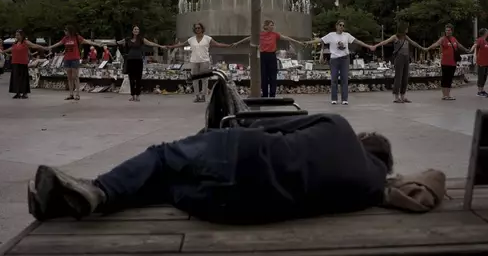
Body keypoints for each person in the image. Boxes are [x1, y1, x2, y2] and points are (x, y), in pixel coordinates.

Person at [27, 113, 392, 224]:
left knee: (161, 158)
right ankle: (67, 202)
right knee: (164, 188)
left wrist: (216, 134)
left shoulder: (340, 127)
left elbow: (271, 127)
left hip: (243, 152)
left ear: (365, 137)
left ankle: (98, 189)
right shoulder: (372, 186)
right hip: (237, 209)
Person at [304, 20, 373, 105]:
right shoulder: (331, 35)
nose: (342, 27)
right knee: (334, 79)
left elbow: (357, 41)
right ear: (336, 26)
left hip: (345, 59)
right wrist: (309, 42)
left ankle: (344, 99)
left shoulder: (347, 35)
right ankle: (334, 99)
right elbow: (320, 40)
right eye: (340, 25)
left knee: (344, 79)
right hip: (334, 59)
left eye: (343, 26)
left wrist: (368, 46)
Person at [233, 20, 304, 98]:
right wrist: (237, 43)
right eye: (271, 25)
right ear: (266, 26)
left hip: (272, 56)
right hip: (263, 56)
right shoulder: (260, 35)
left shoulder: (275, 35)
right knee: (264, 76)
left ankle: (272, 95)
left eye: (273, 25)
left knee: (273, 76)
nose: (273, 27)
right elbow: (248, 38)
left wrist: (297, 42)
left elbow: (286, 38)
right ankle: (265, 94)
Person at [167, 23, 231, 102]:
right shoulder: (191, 39)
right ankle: (197, 96)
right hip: (194, 61)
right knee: (195, 79)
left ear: (202, 29)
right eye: (196, 28)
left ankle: (203, 96)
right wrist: (171, 47)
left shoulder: (208, 38)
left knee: (204, 79)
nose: (197, 29)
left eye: (199, 28)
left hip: (205, 61)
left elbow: (217, 44)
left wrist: (228, 45)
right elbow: (182, 44)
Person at [47, 26, 104, 101]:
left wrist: (97, 44)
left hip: (75, 59)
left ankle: (77, 94)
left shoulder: (77, 37)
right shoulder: (65, 38)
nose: (65, 32)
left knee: (75, 77)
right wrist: (50, 47)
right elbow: (59, 43)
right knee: (69, 77)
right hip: (67, 59)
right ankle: (71, 94)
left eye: (66, 31)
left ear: (70, 31)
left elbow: (87, 41)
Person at [371, 23, 425, 103]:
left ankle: (403, 96)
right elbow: (385, 42)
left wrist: (422, 48)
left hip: (406, 57)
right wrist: (376, 45)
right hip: (399, 57)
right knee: (398, 77)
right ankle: (396, 97)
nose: (407, 29)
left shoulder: (406, 37)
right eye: (406, 28)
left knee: (405, 77)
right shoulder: (395, 37)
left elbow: (413, 43)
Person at [116, 25, 165, 102]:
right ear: (132, 31)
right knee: (131, 79)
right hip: (130, 60)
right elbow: (118, 42)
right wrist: (104, 44)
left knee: (138, 78)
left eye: (137, 29)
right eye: (135, 29)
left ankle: (138, 95)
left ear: (139, 31)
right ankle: (133, 95)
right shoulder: (128, 39)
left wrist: (160, 46)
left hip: (138, 60)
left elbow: (150, 43)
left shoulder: (141, 39)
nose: (136, 30)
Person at [426, 24, 470, 100]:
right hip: (445, 63)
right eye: (446, 30)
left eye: (449, 30)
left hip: (453, 63)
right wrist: (428, 48)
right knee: (445, 78)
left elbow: (459, 45)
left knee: (450, 79)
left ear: (452, 31)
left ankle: (448, 94)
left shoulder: (454, 39)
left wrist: (466, 50)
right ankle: (444, 95)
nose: (447, 32)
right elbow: (436, 44)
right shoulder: (443, 39)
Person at [4, 30, 47, 99]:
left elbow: (34, 45)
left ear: (22, 35)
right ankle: (17, 92)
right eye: (16, 35)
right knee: (16, 78)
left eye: (18, 35)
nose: (16, 36)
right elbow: (11, 49)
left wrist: (43, 47)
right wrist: (3, 51)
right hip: (15, 62)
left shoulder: (25, 42)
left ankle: (24, 93)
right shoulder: (15, 43)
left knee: (23, 78)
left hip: (22, 62)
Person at [471, 28, 488, 98]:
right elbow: (475, 45)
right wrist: (470, 50)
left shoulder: (485, 41)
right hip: (481, 62)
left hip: (486, 62)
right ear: (485, 33)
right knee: (481, 77)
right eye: (487, 32)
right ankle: (479, 91)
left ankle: (482, 90)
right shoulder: (480, 40)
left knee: (484, 77)